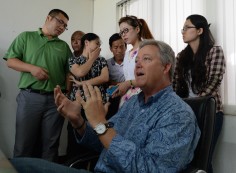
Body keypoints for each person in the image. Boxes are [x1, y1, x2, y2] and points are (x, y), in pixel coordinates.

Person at [11, 39, 201, 173]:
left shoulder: (178, 114)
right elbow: (102, 142)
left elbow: (150, 169)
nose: (137, 66)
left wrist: (100, 122)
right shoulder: (134, 102)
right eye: (136, 61)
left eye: (146, 59)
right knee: (16, 164)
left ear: (166, 67)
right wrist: (79, 121)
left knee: (18, 167)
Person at [3, 9, 72, 162]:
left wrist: (66, 93)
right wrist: (32, 68)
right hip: (30, 98)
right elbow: (10, 61)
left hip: (55, 101)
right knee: (23, 144)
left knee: (51, 145)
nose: (62, 28)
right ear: (48, 18)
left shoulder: (64, 46)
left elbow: (69, 72)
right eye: (60, 22)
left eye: (65, 26)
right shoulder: (26, 37)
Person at [172, 14, 226, 173]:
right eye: (182, 28)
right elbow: (175, 86)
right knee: (188, 160)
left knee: (204, 161)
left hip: (209, 113)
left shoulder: (214, 52)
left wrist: (197, 106)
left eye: (186, 28)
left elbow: (214, 81)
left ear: (200, 30)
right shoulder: (181, 56)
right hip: (185, 114)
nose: (183, 31)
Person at [112, 15, 154, 107]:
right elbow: (129, 78)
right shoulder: (127, 54)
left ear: (137, 29)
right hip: (127, 98)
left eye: (126, 30)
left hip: (143, 96)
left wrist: (127, 84)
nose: (123, 34)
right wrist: (120, 86)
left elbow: (150, 78)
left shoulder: (146, 49)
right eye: (121, 32)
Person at [66, 30, 86, 161]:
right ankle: (71, 162)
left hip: (89, 102)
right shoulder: (70, 59)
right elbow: (68, 77)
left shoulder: (92, 58)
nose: (75, 41)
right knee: (72, 133)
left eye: (79, 39)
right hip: (73, 101)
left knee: (86, 134)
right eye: (73, 38)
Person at [106, 33, 126, 119]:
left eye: (122, 46)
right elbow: (105, 82)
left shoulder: (132, 61)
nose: (119, 50)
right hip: (114, 97)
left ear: (126, 47)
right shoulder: (106, 64)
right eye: (116, 47)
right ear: (111, 49)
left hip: (129, 95)